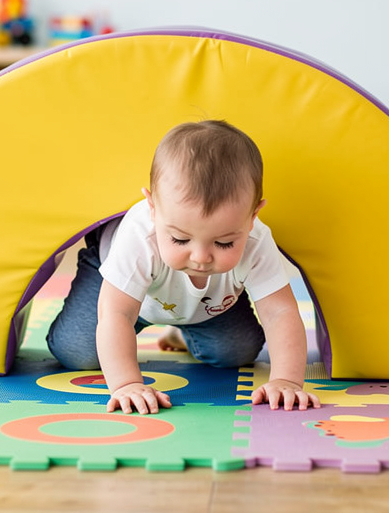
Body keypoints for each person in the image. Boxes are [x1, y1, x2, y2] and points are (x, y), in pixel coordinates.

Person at [47, 120, 321, 414]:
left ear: (252, 217)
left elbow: (280, 311)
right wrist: (126, 384)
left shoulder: (256, 240)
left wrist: (286, 380)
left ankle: (181, 331)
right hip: (121, 291)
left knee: (238, 352)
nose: (201, 257)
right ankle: (160, 325)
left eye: (225, 243)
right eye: (180, 238)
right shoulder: (139, 238)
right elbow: (116, 313)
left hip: (207, 303)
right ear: (153, 209)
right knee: (76, 352)